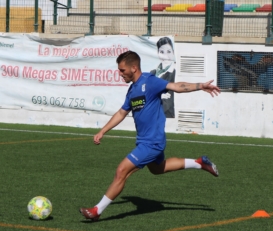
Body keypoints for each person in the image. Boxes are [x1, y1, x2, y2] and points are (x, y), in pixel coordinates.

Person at [80, 51, 220, 222]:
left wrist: (200, 86)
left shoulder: (150, 81)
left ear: (134, 68)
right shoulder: (132, 90)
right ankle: (199, 163)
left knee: (121, 171)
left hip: (152, 142)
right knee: (157, 169)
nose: (120, 74)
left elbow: (176, 86)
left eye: (122, 70)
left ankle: (96, 211)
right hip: (145, 141)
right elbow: (122, 112)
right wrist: (102, 131)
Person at [150, 37, 176, 118]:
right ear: (158, 53)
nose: (166, 56)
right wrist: (158, 95)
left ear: (173, 52)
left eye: (169, 51)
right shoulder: (153, 73)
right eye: (162, 52)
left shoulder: (174, 72)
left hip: (166, 113)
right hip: (152, 112)